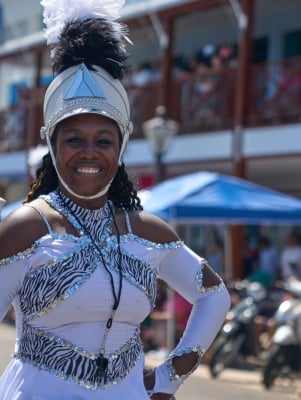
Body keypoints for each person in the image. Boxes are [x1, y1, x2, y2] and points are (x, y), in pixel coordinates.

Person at [0, 1, 231, 399]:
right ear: (53, 147)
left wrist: (169, 378)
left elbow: (214, 295)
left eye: (103, 141)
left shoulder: (146, 231)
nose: (89, 152)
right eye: (74, 139)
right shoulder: (26, 228)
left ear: (120, 148)